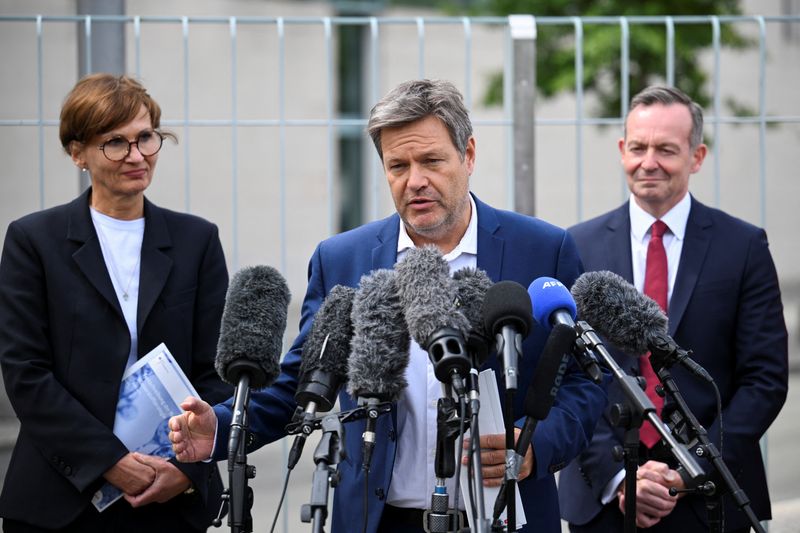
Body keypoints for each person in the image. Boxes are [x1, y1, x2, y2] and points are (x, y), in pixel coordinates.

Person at [169, 78, 607, 533]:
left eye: (432, 161)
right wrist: (220, 428)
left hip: (506, 516)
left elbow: (585, 380)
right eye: (397, 165)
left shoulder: (542, 249)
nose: (414, 181)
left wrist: (535, 445)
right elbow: (300, 384)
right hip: (378, 519)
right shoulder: (342, 260)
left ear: (469, 154)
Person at [0, 74, 232, 532]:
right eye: (115, 143)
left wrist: (185, 470)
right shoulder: (34, 241)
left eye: (146, 137)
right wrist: (109, 461)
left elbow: (215, 371)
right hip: (60, 497)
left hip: (168, 495)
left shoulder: (196, 241)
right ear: (77, 153)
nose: (136, 155)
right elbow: (26, 372)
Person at [558, 85, 788, 532]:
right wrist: (620, 476)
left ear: (696, 156)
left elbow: (765, 378)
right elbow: (568, 374)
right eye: (638, 147)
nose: (649, 162)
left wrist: (691, 466)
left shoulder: (742, 247)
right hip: (604, 499)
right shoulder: (577, 245)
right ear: (623, 149)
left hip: (713, 498)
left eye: (666, 149)